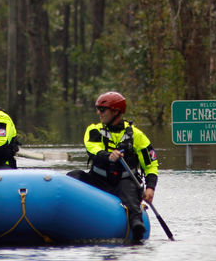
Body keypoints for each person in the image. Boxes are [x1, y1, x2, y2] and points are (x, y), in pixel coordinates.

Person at [67, 91, 159, 240]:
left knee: (129, 192)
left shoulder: (137, 136)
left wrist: (150, 188)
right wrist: (108, 156)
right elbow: (92, 149)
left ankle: (136, 225)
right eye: (98, 109)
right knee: (74, 176)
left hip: (124, 181)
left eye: (102, 109)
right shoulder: (94, 130)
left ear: (116, 112)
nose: (99, 113)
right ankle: (68, 216)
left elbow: (151, 164)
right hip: (98, 180)